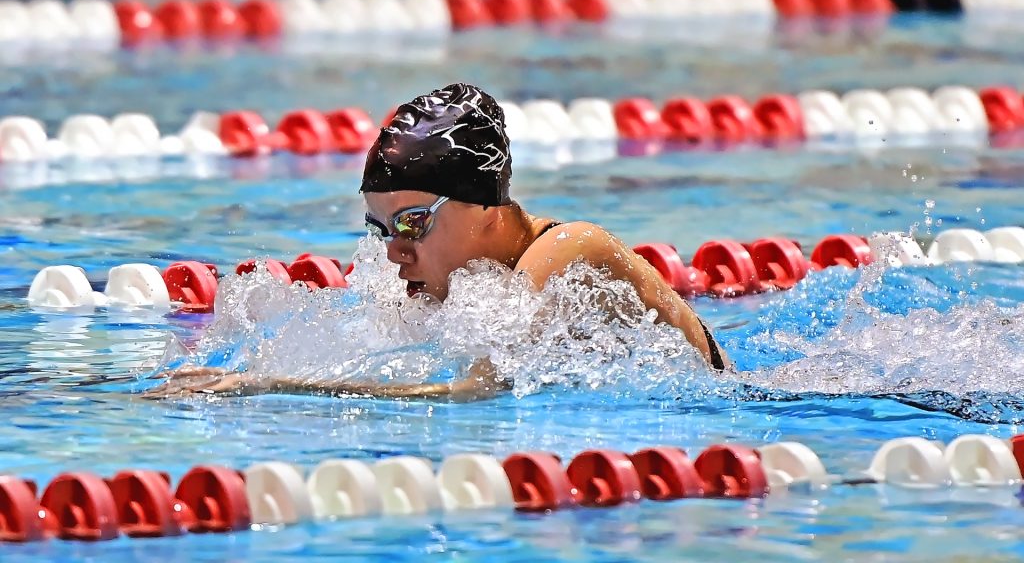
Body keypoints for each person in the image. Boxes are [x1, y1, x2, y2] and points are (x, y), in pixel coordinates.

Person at [146, 83, 727, 402]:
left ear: (485, 207)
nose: (395, 253)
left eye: (412, 223)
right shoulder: (466, 282)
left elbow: (473, 392)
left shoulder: (571, 249)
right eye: (382, 229)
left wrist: (275, 385)